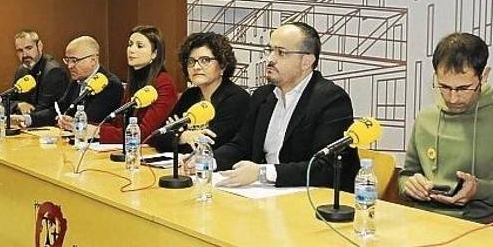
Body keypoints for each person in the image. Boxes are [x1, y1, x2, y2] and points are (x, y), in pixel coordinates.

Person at [398, 32, 493, 228]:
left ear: (484, 76)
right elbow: (407, 174)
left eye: (463, 88)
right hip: (426, 223)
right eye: (444, 87)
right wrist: (409, 186)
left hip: (484, 228)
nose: (452, 98)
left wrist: (481, 190)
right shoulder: (426, 119)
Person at [200, 22, 358, 189]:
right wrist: (207, 161)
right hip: (268, 194)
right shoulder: (263, 95)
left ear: (306, 61)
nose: (270, 59)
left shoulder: (331, 99)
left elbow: (324, 167)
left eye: (281, 52)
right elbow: (241, 145)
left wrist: (263, 173)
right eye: (270, 51)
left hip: (312, 197)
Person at [153, 32, 248, 153]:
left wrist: (177, 134)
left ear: (223, 65)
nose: (196, 67)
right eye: (191, 61)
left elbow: (210, 144)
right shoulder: (190, 95)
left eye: (205, 60)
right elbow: (158, 137)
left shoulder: (236, 99)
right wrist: (183, 136)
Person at [94, 26, 178, 144]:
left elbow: (144, 133)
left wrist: (97, 132)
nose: (131, 50)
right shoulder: (135, 81)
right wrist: (85, 126)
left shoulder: (164, 84)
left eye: (139, 46)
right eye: (130, 44)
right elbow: (119, 122)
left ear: (154, 53)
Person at [15, 36, 122, 128]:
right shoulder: (76, 80)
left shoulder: (109, 84)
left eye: (74, 61)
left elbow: (92, 121)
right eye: (67, 60)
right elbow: (58, 110)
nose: (69, 66)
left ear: (93, 61)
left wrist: (70, 122)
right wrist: (27, 119)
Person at [11, 30, 69, 116]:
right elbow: (7, 101)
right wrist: (18, 105)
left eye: (29, 48)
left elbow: (45, 110)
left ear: (40, 46)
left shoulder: (53, 72)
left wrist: (23, 117)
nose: (24, 55)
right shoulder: (21, 70)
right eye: (20, 50)